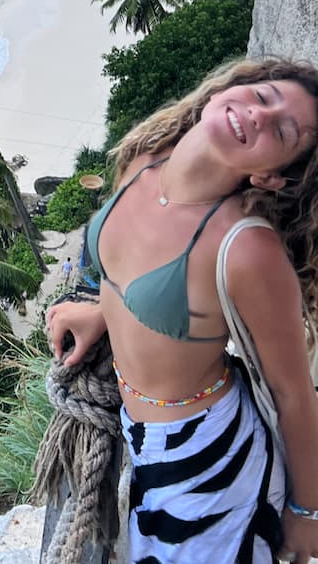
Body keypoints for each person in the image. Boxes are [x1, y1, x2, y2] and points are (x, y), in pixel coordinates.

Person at [46, 58, 318, 563]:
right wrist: (102, 314)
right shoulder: (144, 156)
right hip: (137, 431)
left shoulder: (246, 250)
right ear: (230, 89)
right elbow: (129, 262)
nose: (260, 116)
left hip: (209, 467)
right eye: (263, 96)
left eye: (282, 130)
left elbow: (295, 394)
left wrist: (306, 513)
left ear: (269, 178)